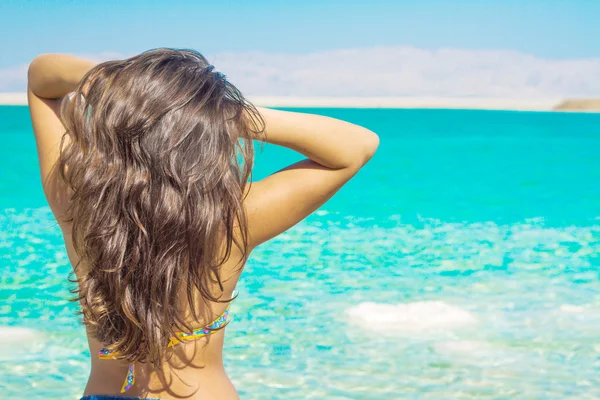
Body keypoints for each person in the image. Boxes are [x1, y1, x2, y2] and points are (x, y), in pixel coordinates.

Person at [27, 47, 379, 400]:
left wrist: (128, 87)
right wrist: (219, 112)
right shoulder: (232, 218)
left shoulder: (76, 200)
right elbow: (357, 145)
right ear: (204, 134)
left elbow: (42, 78)